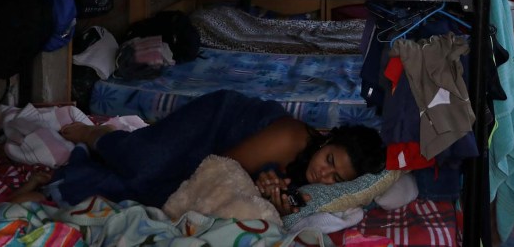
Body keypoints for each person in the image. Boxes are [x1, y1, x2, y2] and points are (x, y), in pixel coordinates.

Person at [55, 89, 386, 215]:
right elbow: (223, 164)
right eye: (329, 161)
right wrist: (254, 184)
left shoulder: (314, 188)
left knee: (151, 197)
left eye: (336, 177)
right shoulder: (293, 138)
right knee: (142, 164)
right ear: (326, 142)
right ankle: (96, 132)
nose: (323, 174)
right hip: (215, 126)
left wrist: (269, 198)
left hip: (224, 167)